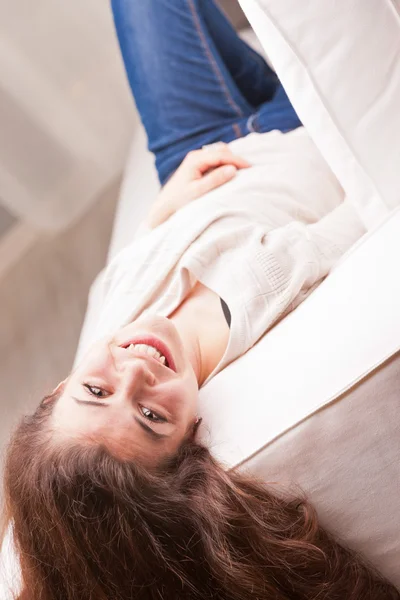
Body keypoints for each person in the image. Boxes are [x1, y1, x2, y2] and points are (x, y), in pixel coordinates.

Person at [2, 1, 399, 598]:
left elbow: (113, 284)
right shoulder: (266, 342)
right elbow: (362, 207)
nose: (136, 371)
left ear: (57, 389)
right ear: (191, 434)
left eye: (97, 389)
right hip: (305, 132)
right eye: (152, 415)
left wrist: (163, 212)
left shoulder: (103, 359)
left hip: (195, 153)